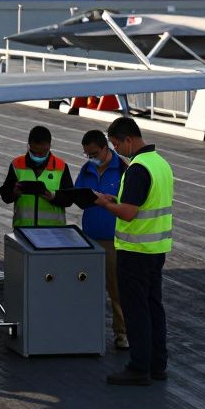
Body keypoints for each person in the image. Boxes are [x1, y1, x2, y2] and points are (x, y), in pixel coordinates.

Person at [94, 117, 174, 386]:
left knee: (136, 310)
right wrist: (118, 201)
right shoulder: (161, 164)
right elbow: (145, 203)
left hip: (135, 250)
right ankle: (158, 365)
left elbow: (129, 212)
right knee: (154, 308)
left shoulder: (138, 168)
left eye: (116, 145)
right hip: (156, 248)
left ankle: (139, 367)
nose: (116, 151)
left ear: (128, 140)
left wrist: (104, 203)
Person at [77, 129, 128, 350]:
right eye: (88, 154)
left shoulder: (125, 169)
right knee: (87, 289)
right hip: (89, 238)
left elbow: (131, 203)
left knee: (116, 290)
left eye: (95, 153)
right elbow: (78, 195)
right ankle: (88, 333)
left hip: (113, 240)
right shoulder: (87, 169)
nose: (92, 158)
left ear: (106, 148)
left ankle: (122, 334)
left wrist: (109, 201)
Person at [0, 125, 75, 227]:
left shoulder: (61, 166)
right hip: (23, 229)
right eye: (35, 152)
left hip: (54, 232)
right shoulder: (17, 164)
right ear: (29, 145)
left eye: (42, 152)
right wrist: (14, 192)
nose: (38, 156)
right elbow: (5, 195)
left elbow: (69, 199)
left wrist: (53, 197)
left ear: (49, 146)